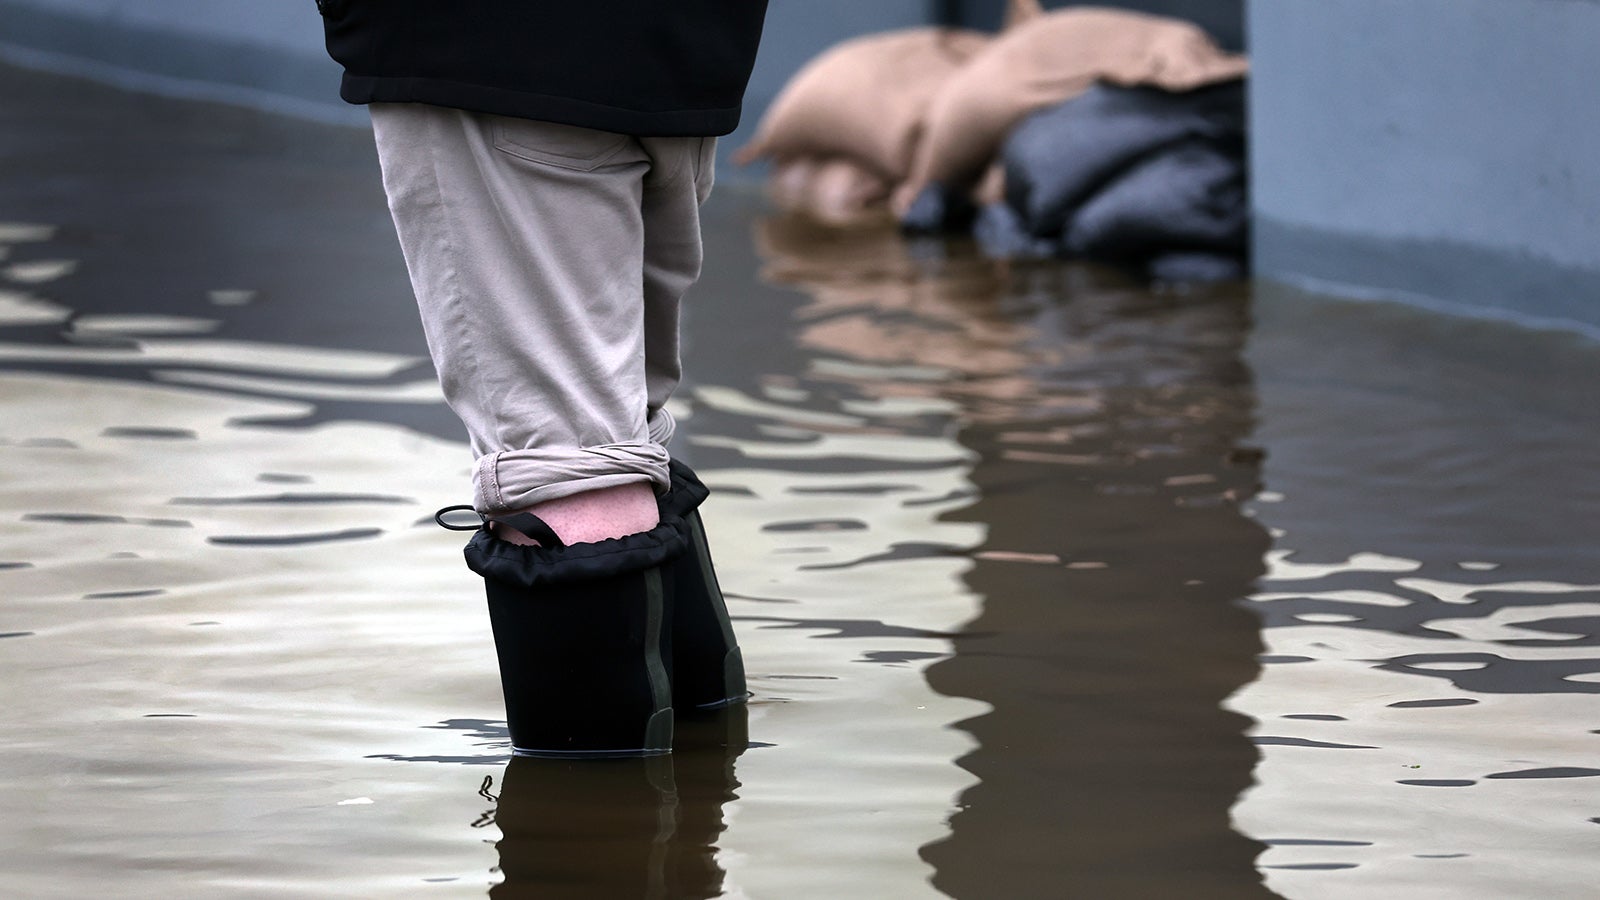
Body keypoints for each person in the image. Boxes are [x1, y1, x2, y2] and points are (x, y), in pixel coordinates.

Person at [318, 1, 769, 757]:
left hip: (488, 52)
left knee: (573, 475)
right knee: (618, 443)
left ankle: (588, 863)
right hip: (678, 50)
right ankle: (693, 819)